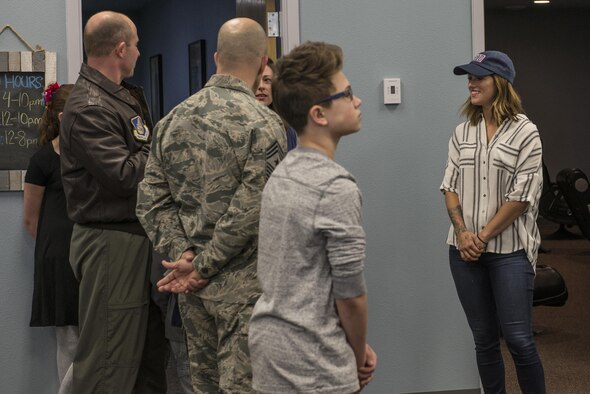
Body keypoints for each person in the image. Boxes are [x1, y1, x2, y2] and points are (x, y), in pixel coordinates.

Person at [136, 17, 286, 393]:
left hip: (192, 287)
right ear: (264, 62)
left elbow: (151, 200)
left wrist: (185, 256)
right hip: (244, 287)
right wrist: (203, 265)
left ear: (217, 56)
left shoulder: (172, 121)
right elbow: (254, 207)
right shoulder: (265, 124)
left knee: (204, 385)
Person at [248, 41, 377, 393]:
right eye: (348, 94)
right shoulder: (335, 187)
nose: (358, 101)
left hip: (271, 349)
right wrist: (358, 352)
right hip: (312, 360)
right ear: (319, 114)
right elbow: (350, 296)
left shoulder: (283, 171)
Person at [60, 11, 167, 393]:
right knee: (109, 362)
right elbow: (123, 174)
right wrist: (164, 149)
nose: (139, 52)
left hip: (131, 241)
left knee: (144, 359)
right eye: (136, 44)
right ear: (121, 48)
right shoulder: (90, 106)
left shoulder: (118, 96)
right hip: (109, 243)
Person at [441, 50, 546, 393]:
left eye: (478, 77)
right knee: (484, 340)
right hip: (464, 252)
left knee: (518, 339)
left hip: (510, 252)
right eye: (469, 77)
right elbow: (449, 187)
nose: (471, 83)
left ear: (499, 83)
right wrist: (463, 233)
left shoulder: (525, 133)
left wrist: (482, 236)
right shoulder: (462, 132)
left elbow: (521, 198)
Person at [23, 82, 78, 394]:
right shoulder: (42, 160)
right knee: (69, 341)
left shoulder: (91, 156)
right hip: (58, 262)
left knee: (96, 338)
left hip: (91, 258)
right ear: (60, 116)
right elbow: (31, 221)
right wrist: (58, 248)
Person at [255, 58, 297, 151]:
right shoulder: (240, 123)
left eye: (267, 80)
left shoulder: (286, 128)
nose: (261, 86)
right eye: (257, 80)